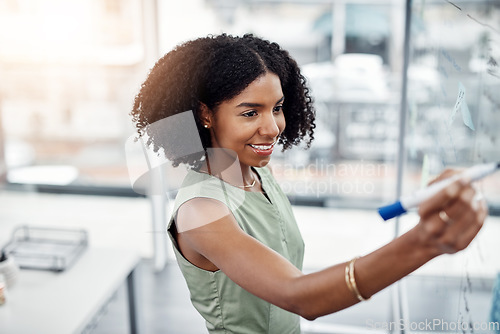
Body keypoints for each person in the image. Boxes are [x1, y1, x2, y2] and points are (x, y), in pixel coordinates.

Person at [130, 33, 487, 333]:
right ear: (205, 114)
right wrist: (427, 242)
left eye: (278, 107)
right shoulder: (199, 211)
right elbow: (299, 296)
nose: (272, 128)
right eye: (250, 112)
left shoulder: (257, 174)